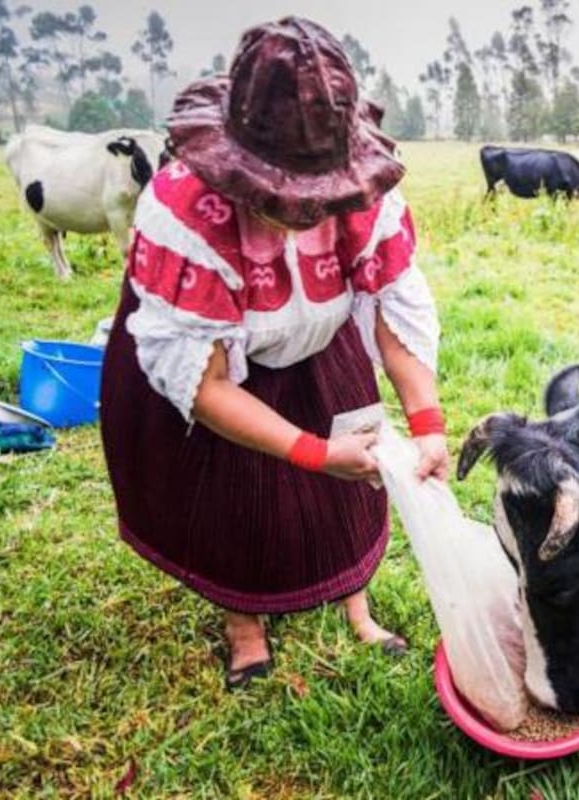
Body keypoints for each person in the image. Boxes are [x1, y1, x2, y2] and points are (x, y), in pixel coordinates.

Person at [99, 16, 447, 690]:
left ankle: (355, 605)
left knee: (351, 485)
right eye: (289, 197)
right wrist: (309, 451)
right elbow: (206, 386)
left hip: (320, 344)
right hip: (223, 364)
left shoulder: (364, 199)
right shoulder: (184, 213)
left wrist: (426, 420)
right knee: (235, 500)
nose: (309, 213)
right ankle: (245, 626)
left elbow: (393, 306)